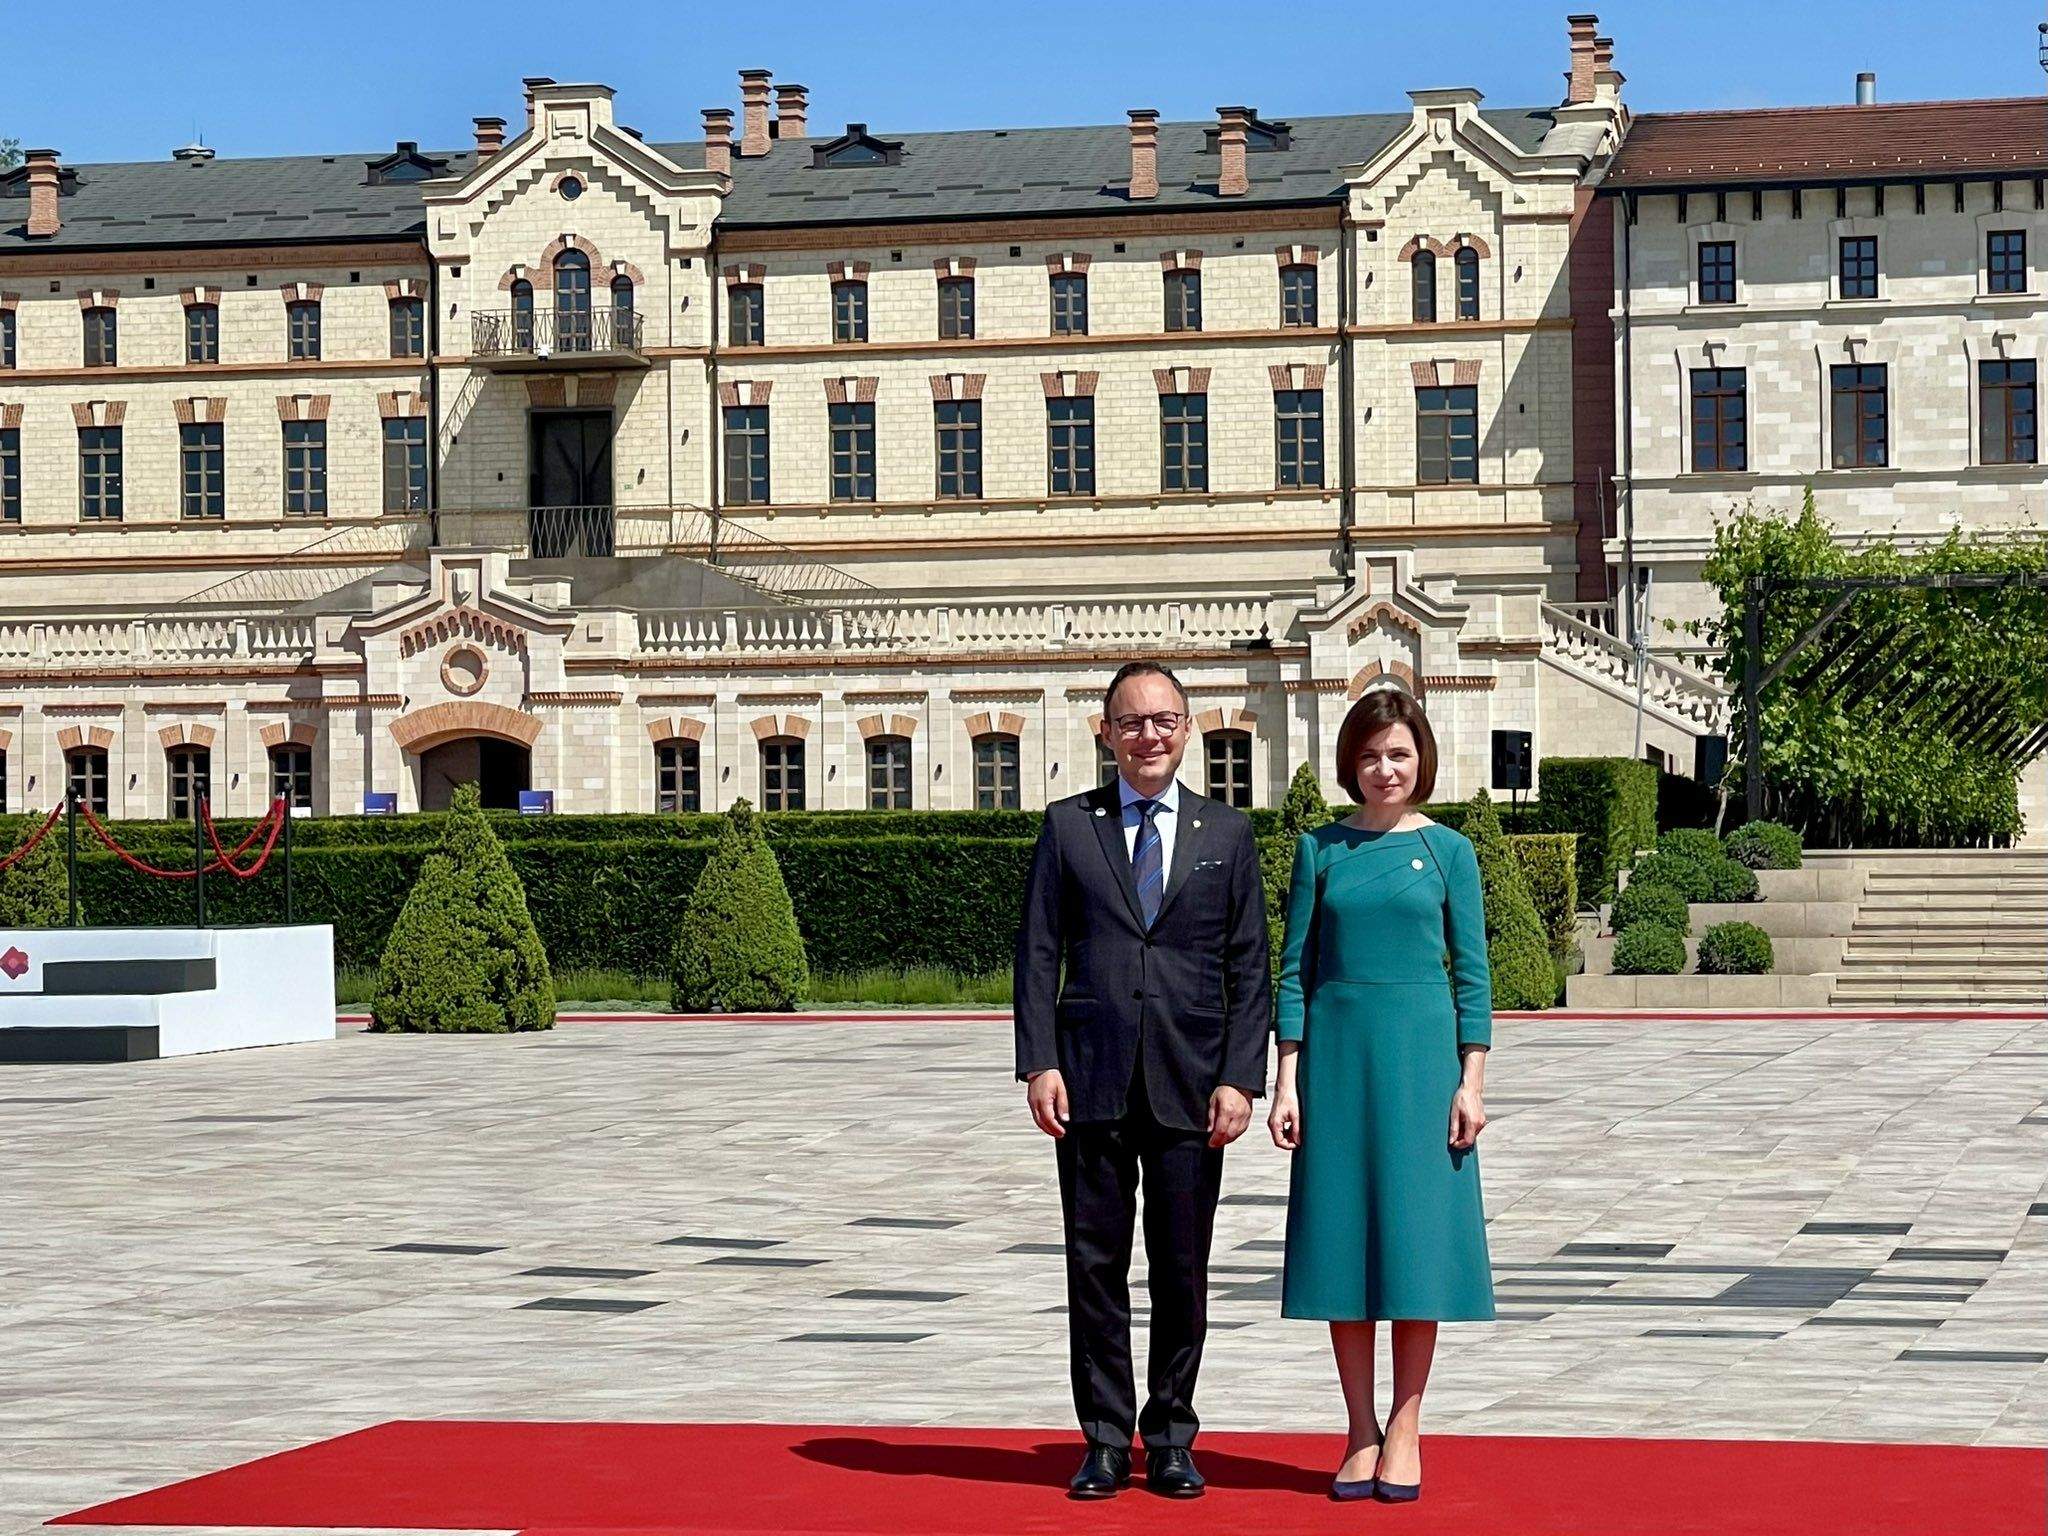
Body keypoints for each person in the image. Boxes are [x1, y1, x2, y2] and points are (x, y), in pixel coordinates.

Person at [1013, 660, 1272, 1500]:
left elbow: (1249, 968)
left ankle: (1170, 1437)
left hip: (1191, 1084)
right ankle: (1100, 1438)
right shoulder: (1068, 826)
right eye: (1131, 722)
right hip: (1089, 1077)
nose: (1148, 736)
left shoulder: (1226, 833)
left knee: (1182, 1269)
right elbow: (1038, 953)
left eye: (1163, 720)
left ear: (1186, 728)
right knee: (1094, 1266)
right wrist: (1039, 1060)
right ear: (1106, 733)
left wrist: (1241, 1078)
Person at [1266, 686, 1494, 1504]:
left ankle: (1406, 1424)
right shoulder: (1319, 850)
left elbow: (1472, 975)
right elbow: (1294, 970)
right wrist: (1286, 1079)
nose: (1384, 769)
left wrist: (1472, 1082)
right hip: (1335, 1064)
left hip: (1423, 1065)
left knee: (1415, 1242)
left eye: (1398, 753)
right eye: (1369, 756)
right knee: (1343, 1242)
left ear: (1421, 757)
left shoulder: (1450, 852)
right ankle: (1358, 1427)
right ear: (1349, 764)